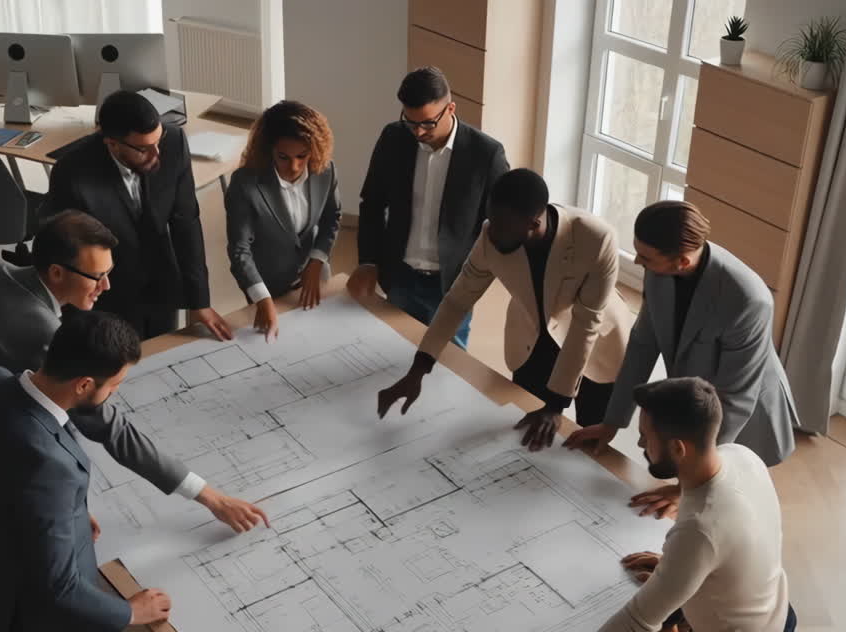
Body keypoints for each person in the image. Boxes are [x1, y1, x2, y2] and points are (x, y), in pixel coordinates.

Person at [0, 211, 266, 632]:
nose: (106, 287)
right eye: (97, 277)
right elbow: (110, 428)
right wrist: (209, 496)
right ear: (56, 272)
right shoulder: (42, 331)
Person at [0, 311, 230, 632]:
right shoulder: (47, 466)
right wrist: (129, 611)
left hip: (2, 569)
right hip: (51, 627)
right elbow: (60, 587)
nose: (115, 394)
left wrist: (65, 512)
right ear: (84, 384)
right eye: (116, 385)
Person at [524, 377, 796, 632]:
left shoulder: (699, 530)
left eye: (646, 436)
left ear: (679, 449)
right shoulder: (740, 455)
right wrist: (679, 569)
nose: (639, 442)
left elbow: (637, 624)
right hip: (775, 614)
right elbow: (739, 538)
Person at [565, 201, 798, 518]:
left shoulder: (748, 299)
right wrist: (612, 422)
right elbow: (642, 345)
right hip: (697, 395)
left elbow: (736, 397)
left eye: (646, 257)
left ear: (681, 262)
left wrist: (692, 481)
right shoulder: (658, 271)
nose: (637, 261)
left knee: (732, 504)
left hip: (745, 410)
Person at [376, 169, 634, 449]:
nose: (491, 232)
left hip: (595, 343)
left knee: (588, 439)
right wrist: (419, 368)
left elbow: (586, 324)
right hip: (532, 335)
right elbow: (457, 301)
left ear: (533, 224)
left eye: (502, 228)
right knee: (524, 429)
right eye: (492, 221)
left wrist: (556, 406)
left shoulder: (595, 238)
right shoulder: (493, 233)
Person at [41, 89, 232, 342]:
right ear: (112, 143)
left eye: (158, 142)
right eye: (143, 149)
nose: (157, 155)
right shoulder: (72, 173)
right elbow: (70, 254)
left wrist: (199, 301)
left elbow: (186, 223)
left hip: (162, 284)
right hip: (109, 295)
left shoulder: (174, 141)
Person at [349, 66, 509, 349]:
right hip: (399, 277)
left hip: (452, 285)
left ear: (451, 109)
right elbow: (372, 203)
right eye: (410, 122)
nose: (418, 132)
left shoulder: (486, 154)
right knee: (392, 353)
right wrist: (368, 262)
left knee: (447, 368)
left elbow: (499, 225)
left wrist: (478, 277)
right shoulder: (394, 138)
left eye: (427, 123)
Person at [225, 100, 342, 341]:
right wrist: (262, 298)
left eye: (302, 156)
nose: (294, 166)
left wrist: (317, 260)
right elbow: (240, 249)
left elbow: (333, 217)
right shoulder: (245, 183)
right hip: (267, 283)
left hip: (314, 275)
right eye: (283, 157)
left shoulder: (325, 171)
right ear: (269, 150)